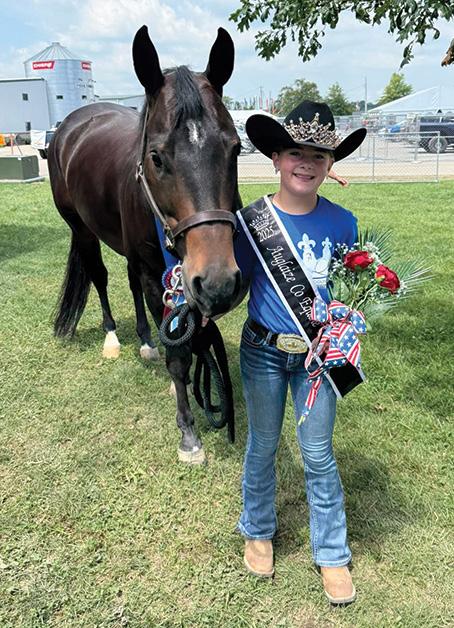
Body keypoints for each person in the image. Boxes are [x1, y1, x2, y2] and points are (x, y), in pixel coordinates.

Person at [233, 100, 367, 604]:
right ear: (276, 159)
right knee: (263, 445)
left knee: (318, 454)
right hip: (263, 352)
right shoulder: (251, 222)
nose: (305, 163)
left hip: (318, 360)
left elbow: (350, 292)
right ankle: (258, 529)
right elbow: (235, 282)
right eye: (295, 152)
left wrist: (348, 325)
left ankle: (332, 553)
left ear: (331, 164)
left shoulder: (344, 223)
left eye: (318, 155)